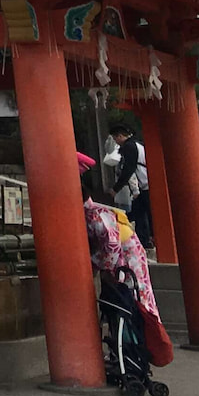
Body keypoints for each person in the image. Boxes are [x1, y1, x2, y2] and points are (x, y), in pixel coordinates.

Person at [79, 154, 174, 367]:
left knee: (133, 304)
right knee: (125, 305)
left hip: (127, 263)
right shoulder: (95, 212)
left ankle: (135, 351)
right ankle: (126, 353)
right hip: (125, 262)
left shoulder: (96, 215)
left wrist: (92, 263)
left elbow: (112, 246)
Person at [109, 123, 154, 254]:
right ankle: (145, 240)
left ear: (120, 136)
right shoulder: (137, 144)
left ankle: (146, 240)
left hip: (145, 185)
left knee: (143, 214)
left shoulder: (129, 147)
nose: (116, 141)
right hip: (143, 186)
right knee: (140, 214)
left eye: (115, 138)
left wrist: (116, 188)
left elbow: (129, 170)